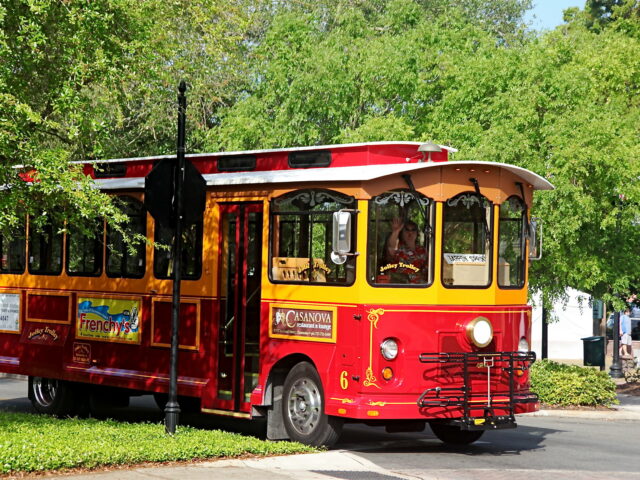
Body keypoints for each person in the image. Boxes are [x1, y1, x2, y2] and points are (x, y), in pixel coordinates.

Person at [383, 218, 427, 283]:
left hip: (419, 287)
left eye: (413, 230)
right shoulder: (398, 247)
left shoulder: (423, 250)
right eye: (407, 230)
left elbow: (428, 269)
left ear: (417, 233)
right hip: (401, 286)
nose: (410, 232)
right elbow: (391, 246)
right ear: (402, 233)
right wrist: (396, 231)